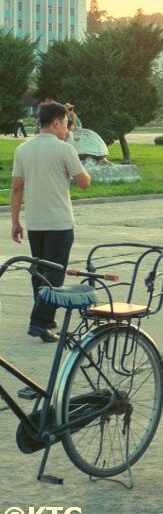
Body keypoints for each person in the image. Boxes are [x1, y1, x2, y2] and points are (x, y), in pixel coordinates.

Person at [10, 101, 91, 342]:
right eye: (66, 124)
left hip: (35, 222)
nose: (67, 129)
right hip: (59, 222)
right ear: (56, 123)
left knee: (39, 271)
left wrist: (15, 221)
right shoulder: (64, 149)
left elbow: (16, 188)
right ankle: (39, 321)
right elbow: (84, 182)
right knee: (55, 274)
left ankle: (44, 319)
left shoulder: (22, 149)